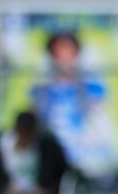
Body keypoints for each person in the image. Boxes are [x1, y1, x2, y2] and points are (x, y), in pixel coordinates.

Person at [30, 32, 113, 178]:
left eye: (69, 51)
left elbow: (101, 130)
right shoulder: (41, 92)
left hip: (84, 160)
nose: (64, 57)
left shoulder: (92, 91)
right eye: (59, 52)